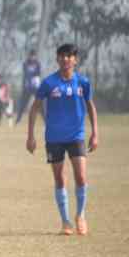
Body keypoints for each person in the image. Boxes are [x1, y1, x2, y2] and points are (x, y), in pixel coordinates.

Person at [26, 43, 98, 236]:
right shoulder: (49, 83)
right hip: (54, 138)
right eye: (62, 56)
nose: (65, 59)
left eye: (69, 56)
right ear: (57, 59)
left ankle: (80, 215)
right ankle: (66, 222)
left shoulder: (82, 82)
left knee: (81, 177)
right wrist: (30, 136)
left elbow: (90, 107)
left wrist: (95, 133)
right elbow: (34, 108)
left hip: (77, 136)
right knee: (60, 179)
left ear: (75, 60)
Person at [16, 49, 42, 124]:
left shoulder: (37, 64)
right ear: (29, 56)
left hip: (36, 86)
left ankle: (46, 121)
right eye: (31, 56)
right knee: (23, 104)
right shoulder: (25, 63)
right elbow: (25, 74)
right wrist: (25, 85)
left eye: (34, 56)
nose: (32, 57)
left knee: (40, 104)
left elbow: (38, 74)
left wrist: (32, 76)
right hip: (27, 87)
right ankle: (18, 120)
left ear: (35, 56)